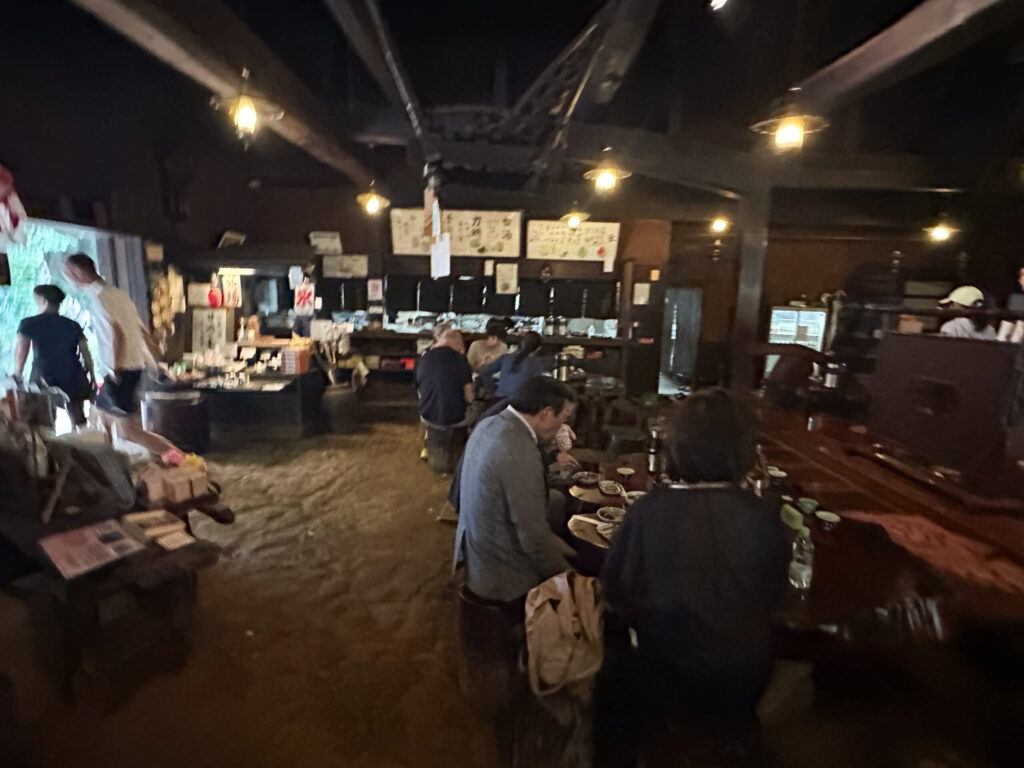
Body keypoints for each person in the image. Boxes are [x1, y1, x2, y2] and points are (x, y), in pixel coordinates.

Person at [595, 389, 788, 766]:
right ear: (744, 451)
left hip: (670, 676)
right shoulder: (763, 516)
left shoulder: (649, 512)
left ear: (677, 445)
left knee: (609, 683)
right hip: (744, 681)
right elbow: (771, 595)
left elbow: (616, 594)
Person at [453, 376, 576, 605]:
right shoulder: (519, 450)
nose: (562, 427)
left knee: (565, 538)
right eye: (564, 418)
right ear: (546, 414)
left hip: (478, 551)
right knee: (583, 572)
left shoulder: (492, 423)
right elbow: (534, 540)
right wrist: (569, 579)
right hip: (501, 574)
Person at [62, 253, 182, 461]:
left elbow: (116, 333)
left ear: (78, 273)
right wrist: (152, 359)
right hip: (132, 365)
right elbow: (141, 329)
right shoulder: (118, 294)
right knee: (100, 417)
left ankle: (180, 457)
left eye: (68, 274)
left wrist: (113, 368)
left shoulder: (101, 297)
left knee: (129, 431)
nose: (69, 280)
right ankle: (114, 468)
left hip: (122, 369)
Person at [13, 284, 95, 425]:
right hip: (73, 375)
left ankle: (51, 445)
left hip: (45, 376)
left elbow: (22, 351)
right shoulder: (72, 325)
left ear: (43, 300)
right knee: (78, 418)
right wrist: (91, 375)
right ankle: (82, 442)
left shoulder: (30, 324)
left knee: (45, 421)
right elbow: (85, 352)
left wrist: (17, 374)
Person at [416, 328, 474, 428]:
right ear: (458, 343)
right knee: (478, 409)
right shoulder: (461, 360)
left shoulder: (423, 358)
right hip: (456, 419)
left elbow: (419, 388)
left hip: (427, 416)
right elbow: (469, 397)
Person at [477, 330, 546, 398]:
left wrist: (492, 388)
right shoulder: (536, 364)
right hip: (520, 401)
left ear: (522, 343)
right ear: (538, 348)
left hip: (499, 398)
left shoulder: (506, 357)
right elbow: (536, 386)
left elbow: (484, 372)